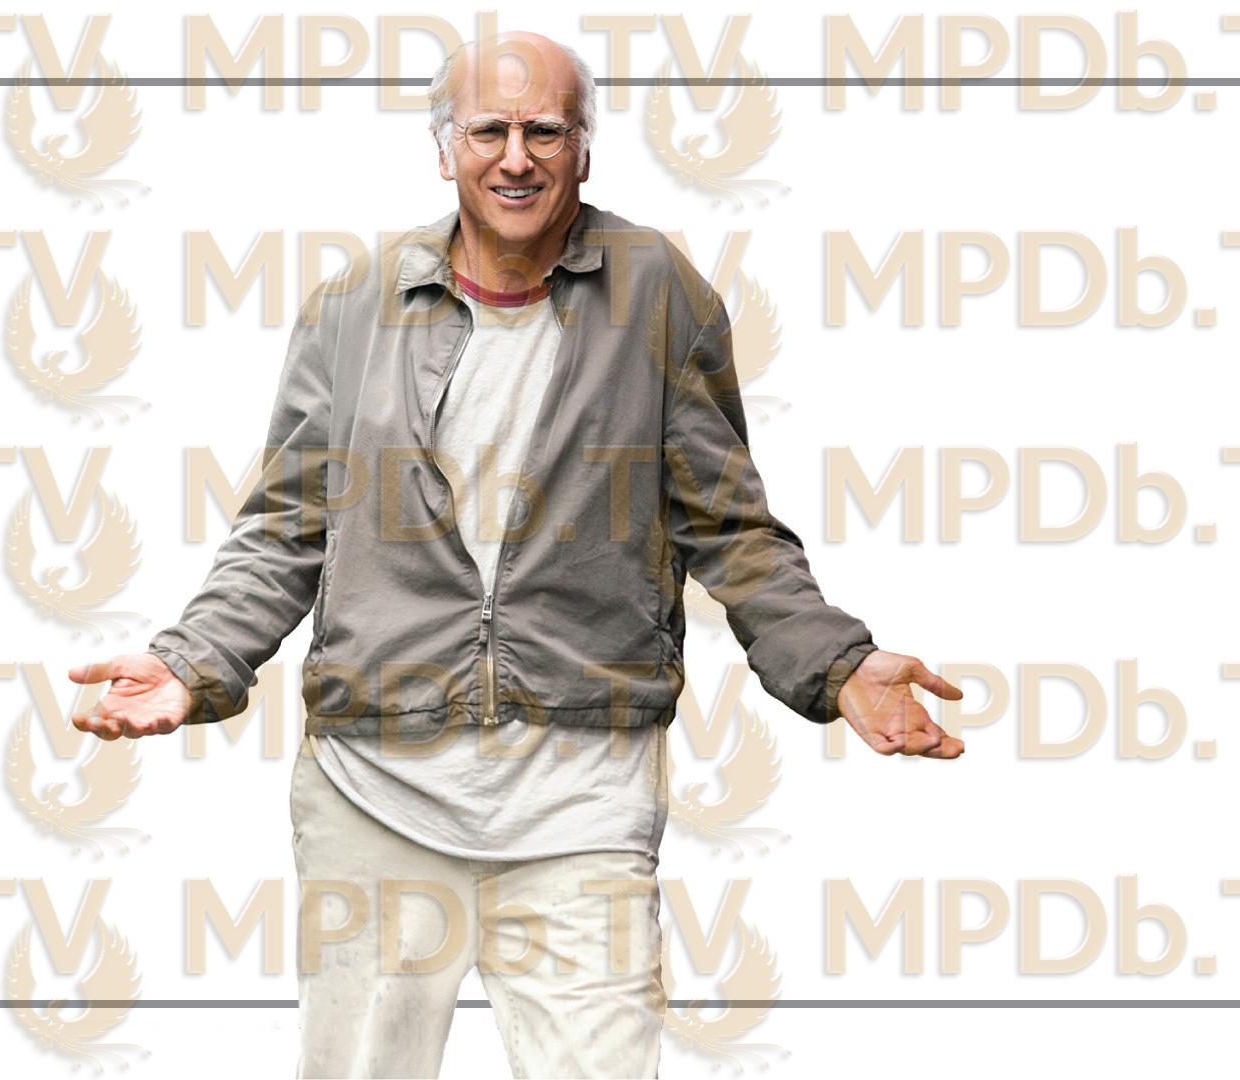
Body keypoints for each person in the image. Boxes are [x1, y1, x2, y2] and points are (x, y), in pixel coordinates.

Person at [70, 30, 965, 1079]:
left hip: (581, 799)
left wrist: (835, 663)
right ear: (443, 147)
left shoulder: (659, 295)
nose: (515, 157)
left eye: (545, 130)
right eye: (488, 130)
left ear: (584, 149)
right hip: (374, 793)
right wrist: (192, 663)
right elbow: (286, 526)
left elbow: (728, 524)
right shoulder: (354, 307)